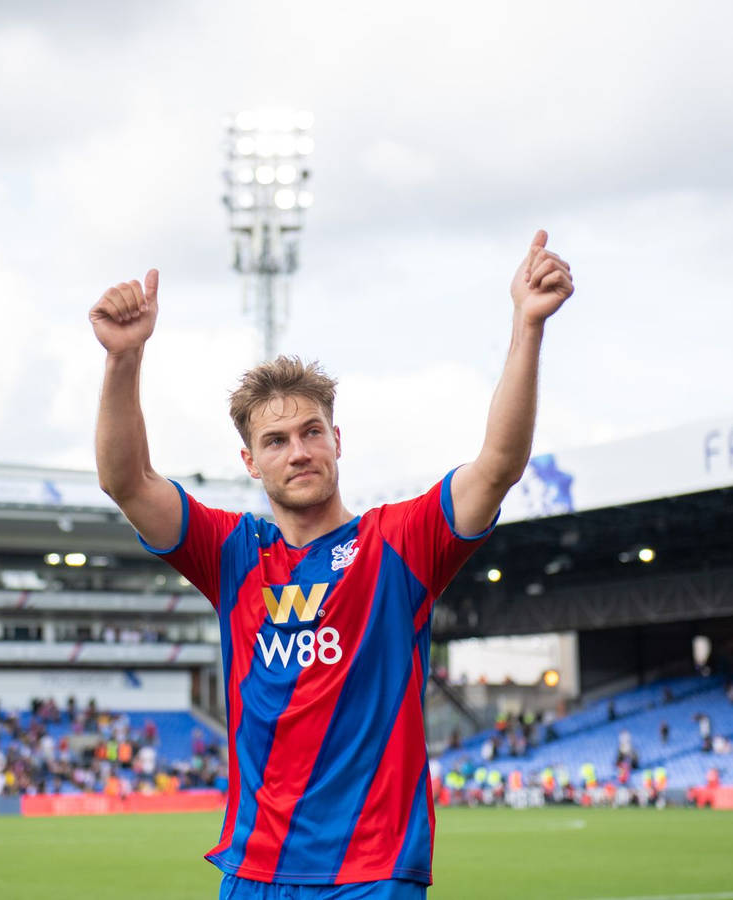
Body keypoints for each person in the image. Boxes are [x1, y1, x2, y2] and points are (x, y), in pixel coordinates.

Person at [90, 230, 573, 899]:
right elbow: (126, 480)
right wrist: (123, 359)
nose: (298, 451)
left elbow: (496, 468)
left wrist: (526, 327)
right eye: (276, 441)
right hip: (255, 873)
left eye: (312, 431)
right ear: (250, 462)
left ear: (337, 440)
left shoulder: (398, 543)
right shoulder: (233, 554)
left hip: (371, 876)